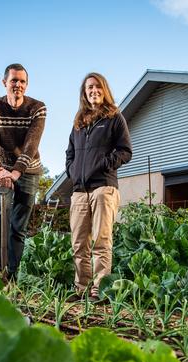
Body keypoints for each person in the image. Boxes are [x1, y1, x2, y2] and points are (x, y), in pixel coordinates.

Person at [65, 72, 132, 301]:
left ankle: (99, 291)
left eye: (97, 87)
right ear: (84, 93)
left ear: (104, 89)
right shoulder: (78, 122)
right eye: (89, 87)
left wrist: (104, 165)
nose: (93, 90)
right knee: (78, 243)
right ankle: (81, 289)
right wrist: (72, 173)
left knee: (101, 241)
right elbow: (70, 154)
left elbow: (125, 151)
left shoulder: (114, 117)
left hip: (103, 188)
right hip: (79, 191)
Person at [0, 63, 46, 282]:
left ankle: (13, 273)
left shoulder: (38, 108)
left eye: (21, 81)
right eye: (13, 81)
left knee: (19, 225)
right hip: (1, 170)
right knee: (1, 214)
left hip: (28, 171)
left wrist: (17, 172)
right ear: (4, 83)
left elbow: (31, 144)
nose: (17, 85)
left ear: (26, 85)